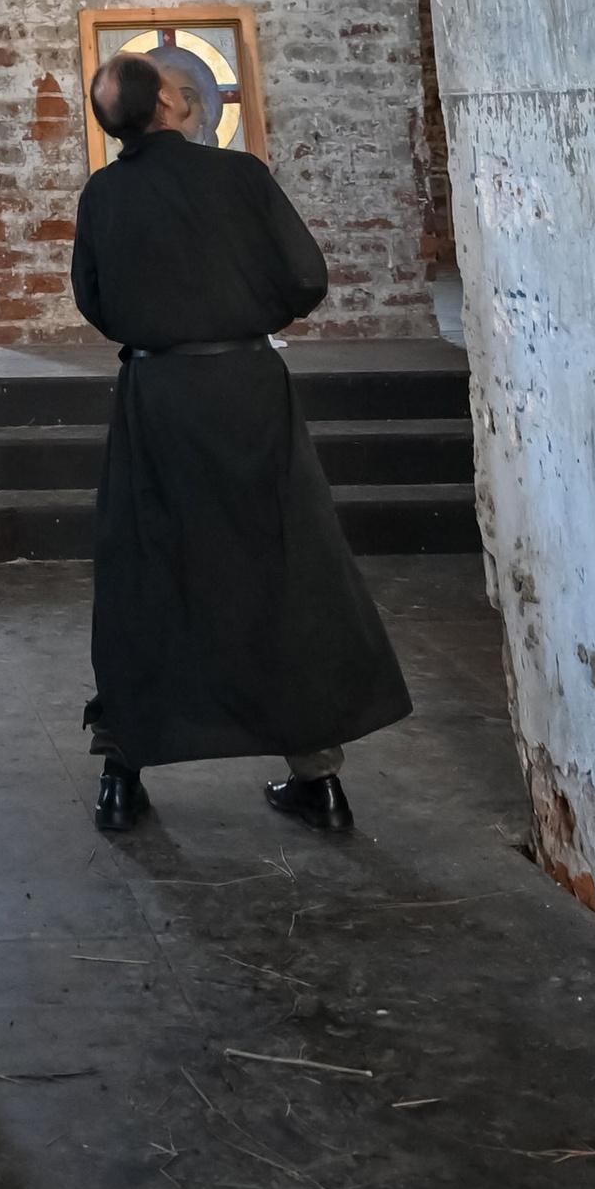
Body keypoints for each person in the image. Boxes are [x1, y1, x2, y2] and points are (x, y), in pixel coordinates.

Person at [72, 43, 411, 837]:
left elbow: (96, 301)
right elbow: (306, 279)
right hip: (247, 393)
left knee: (147, 569)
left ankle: (124, 774)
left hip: (158, 394)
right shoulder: (240, 178)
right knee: (284, 570)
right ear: (167, 107)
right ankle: (317, 776)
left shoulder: (105, 196)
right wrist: (236, 307)